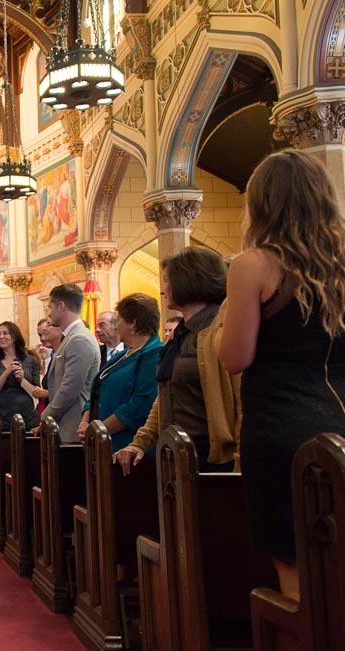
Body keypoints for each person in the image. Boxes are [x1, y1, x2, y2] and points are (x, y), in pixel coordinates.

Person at [218, 149, 345, 600]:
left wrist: (223, 323)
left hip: (283, 427)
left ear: (262, 203)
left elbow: (235, 357)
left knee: (297, 572)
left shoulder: (254, 264)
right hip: (340, 422)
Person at [114, 247, 239, 476]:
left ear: (187, 281)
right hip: (176, 456)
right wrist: (140, 442)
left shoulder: (219, 328)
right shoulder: (180, 333)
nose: (163, 290)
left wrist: (239, 468)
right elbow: (165, 395)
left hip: (211, 460)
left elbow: (241, 401)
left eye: (167, 281)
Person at [76, 294, 162, 452]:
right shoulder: (124, 354)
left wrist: (99, 430)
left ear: (133, 324)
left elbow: (139, 406)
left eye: (119, 320)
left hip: (126, 447)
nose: (116, 327)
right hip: (102, 441)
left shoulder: (154, 353)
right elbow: (98, 390)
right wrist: (85, 422)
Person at [35, 284, 101, 442]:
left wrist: (45, 417)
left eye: (50, 307)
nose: (49, 313)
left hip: (73, 429)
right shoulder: (71, 338)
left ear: (61, 306)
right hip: (64, 426)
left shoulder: (79, 339)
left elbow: (69, 389)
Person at [0, 321, 41, 431]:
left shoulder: (30, 361)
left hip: (26, 417)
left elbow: (36, 393)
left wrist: (22, 379)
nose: (1, 337)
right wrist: (6, 373)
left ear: (15, 336)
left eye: (5, 333)